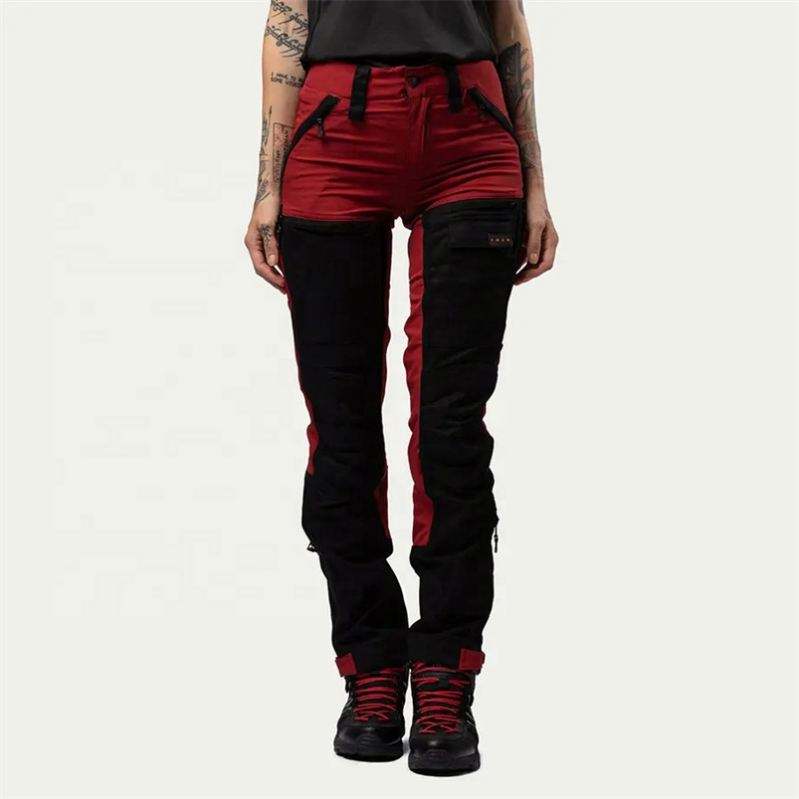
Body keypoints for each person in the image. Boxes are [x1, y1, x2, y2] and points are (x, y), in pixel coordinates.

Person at [244, 0, 557, 775]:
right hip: (334, 136)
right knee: (340, 425)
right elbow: (288, 22)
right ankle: (371, 666)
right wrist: (266, 185)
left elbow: (507, 28)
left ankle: (446, 669)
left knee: (451, 428)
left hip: (469, 133)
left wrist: (535, 180)